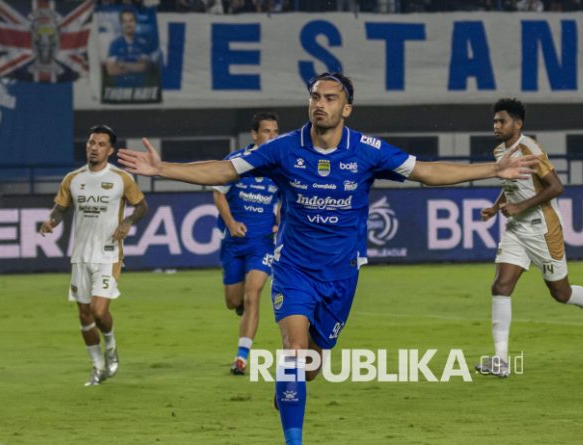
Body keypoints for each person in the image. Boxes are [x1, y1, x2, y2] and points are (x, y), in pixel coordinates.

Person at [117, 72, 538, 445]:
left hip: (341, 276)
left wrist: (492, 171)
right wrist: (163, 169)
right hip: (294, 269)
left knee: (310, 368)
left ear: (347, 108)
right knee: (293, 353)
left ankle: (289, 390)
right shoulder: (283, 148)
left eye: (330, 98)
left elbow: (428, 172)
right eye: (315, 97)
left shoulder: (368, 151)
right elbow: (223, 171)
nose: (320, 104)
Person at [474, 98, 583, 378]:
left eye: (501, 120)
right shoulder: (499, 151)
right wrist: (496, 207)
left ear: (517, 124)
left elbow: (556, 186)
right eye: (494, 120)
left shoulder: (530, 149)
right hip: (517, 229)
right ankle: (500, 360)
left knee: (561, 293)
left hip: (543, 228)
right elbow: (511, 185)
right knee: (500, 286)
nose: (496, 125)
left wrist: (519, 207)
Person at [40, 125, 148, 387]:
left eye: (100, 144)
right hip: (80, 256)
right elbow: (60, 208)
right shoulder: (73, 178)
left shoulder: (121, 178)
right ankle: (98, 366)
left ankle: (110, 347)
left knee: (99, 311)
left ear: (110, 150)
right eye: (91, 143)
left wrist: (129, 221)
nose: (94, 148)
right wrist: (50, 220)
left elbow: (142, 206)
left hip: (108, 254)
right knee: (84, 315)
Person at [213, 112, 280, 375]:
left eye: (275, 132)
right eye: (267, 132)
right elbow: (218, 195)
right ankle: (238, 304)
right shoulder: (237, 162)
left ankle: (241, 358)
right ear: (254, 135)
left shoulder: (280, 165)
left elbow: (288, 198)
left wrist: (279, 222)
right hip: (234, 242)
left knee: (254, 295)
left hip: (262, 244)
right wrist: (230, 223)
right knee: (234, 301)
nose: (272, 137)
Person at [104, 9, 156, 88]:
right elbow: (111, 70)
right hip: (120, 91)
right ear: (121, 24)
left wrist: (123, 64)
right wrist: (135, 65)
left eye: (131, 21)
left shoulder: (143, 43)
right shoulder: (115, 44)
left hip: (141, 90)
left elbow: (144, 67)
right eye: (125, 21)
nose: (128, 24)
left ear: (136, 23)